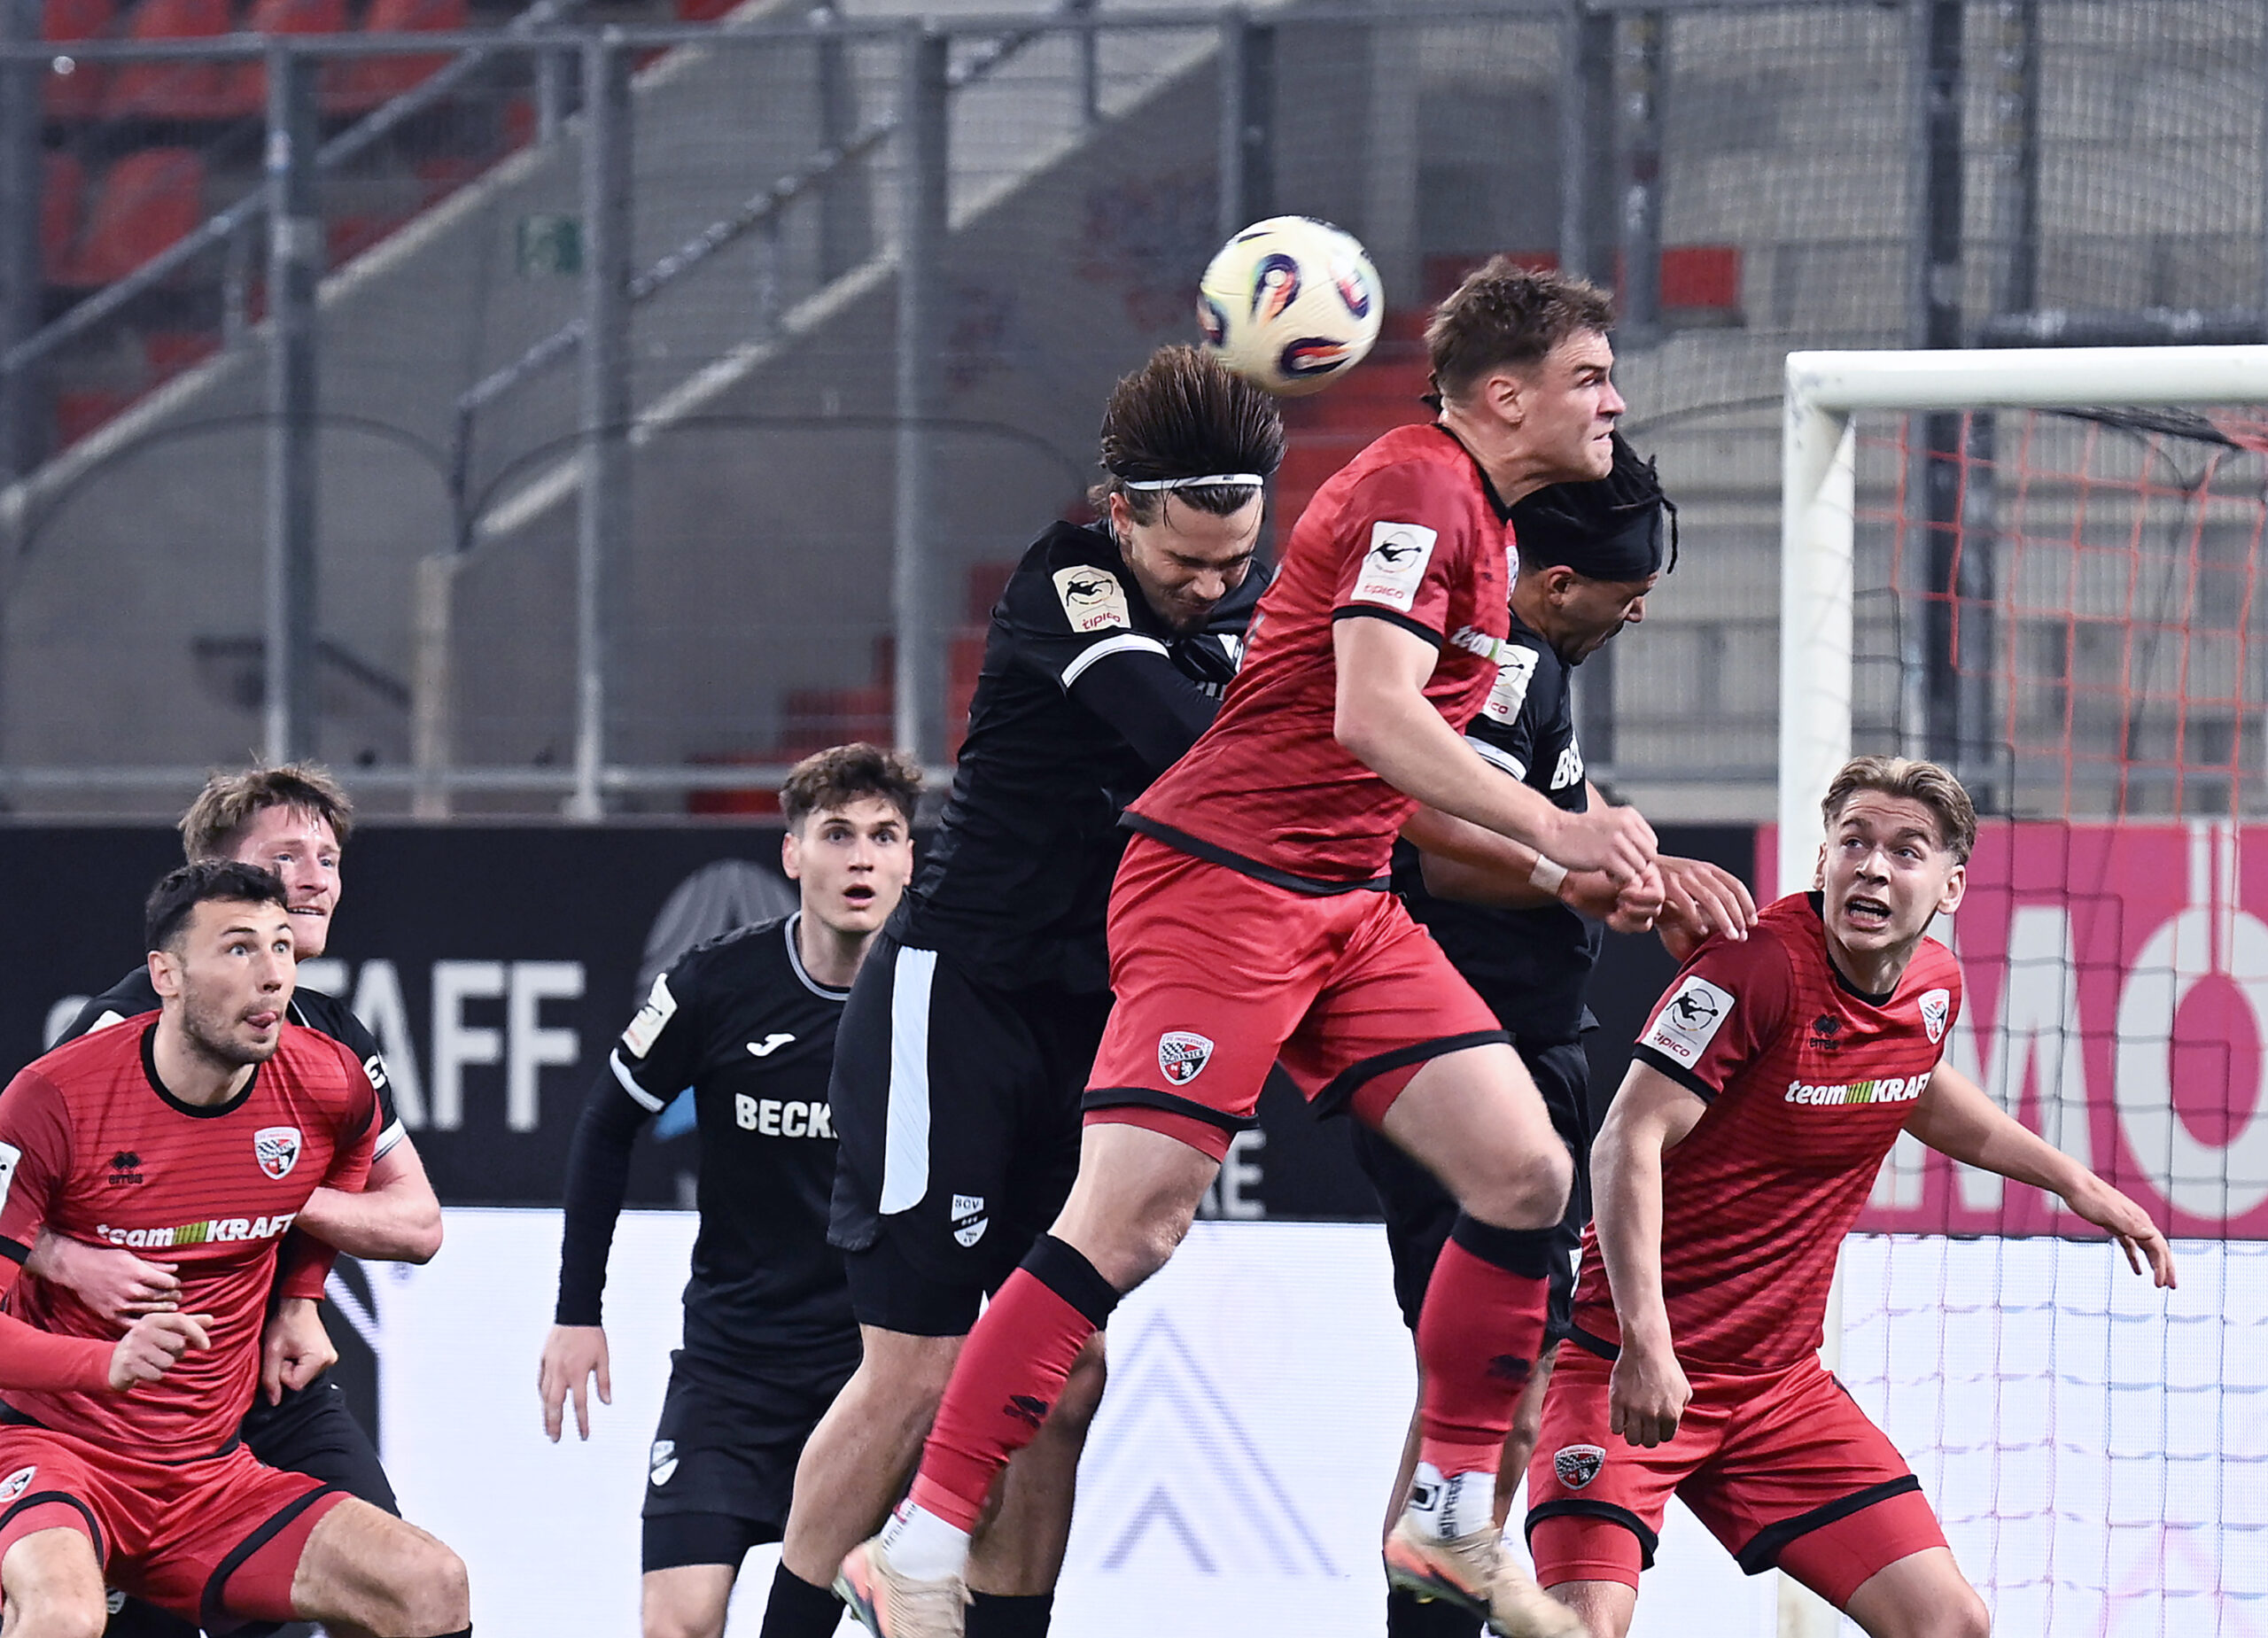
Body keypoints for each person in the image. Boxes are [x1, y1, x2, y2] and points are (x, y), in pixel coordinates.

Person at [842, 260, 1658, 1638]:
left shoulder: (1477, 518)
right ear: (1506, 396)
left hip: (1344, 898)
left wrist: (1553, 862)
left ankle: (1449, 1514)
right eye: (1590, 377)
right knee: (1131, 1225)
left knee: (1524, 1172)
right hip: (1221, 887)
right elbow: (1373, 718)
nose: (1613, 401)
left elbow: (1385, 766)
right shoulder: (1418, 487)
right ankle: (915, 1548)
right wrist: (1554, 826)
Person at [775, 344, 1285, 1638]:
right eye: (1187, 563)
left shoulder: (1249, 597)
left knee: (1066, 1374)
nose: (1215, 585)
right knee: (915, 1375)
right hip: (958, 1002)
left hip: (1092, 1016)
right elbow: (1180, 739)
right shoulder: (1065, 580)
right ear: (1123, 514)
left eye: (1236, 563)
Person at [1523, 755, 2177, 1638]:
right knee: (1578, 1631)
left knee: (1949, 1623)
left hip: (1777, 1392)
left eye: (1905, 851)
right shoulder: (1753, 969)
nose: (1871, 866)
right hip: (1624, 1366)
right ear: (1823, 860)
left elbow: (1915, 1084)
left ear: (1950, 886)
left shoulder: (1935, 987)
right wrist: (1646, 1343)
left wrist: (2078, 1183)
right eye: (1854, 842)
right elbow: (1624, 1141)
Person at [1353, 432, 1759, 1638]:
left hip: (1513, 1041)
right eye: (1628, 596)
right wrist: (1576, 876)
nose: (1638, 616)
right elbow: (1440, 844)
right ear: (1562, 581)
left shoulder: (1531, 655)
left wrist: (1637, 866)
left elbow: (1545, 809)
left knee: (1494, 1388)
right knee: (1491, 1389)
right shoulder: (1502, 661)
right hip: (1461, 1051)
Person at [0, 860, 472, 1638]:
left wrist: (302, 1295)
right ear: (166, 975)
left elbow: (350, 1155)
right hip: (53, 1453)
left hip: (209, 1477)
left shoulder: (326, 1080)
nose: (273, 975)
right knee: (63, 1614)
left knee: (431, 1584)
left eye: (282, 946)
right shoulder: (55, 1098)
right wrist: (105, 1363)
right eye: (239, 948)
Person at [536, 744, 920, 1638]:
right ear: (792, 853)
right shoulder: (716, 983)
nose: (860, 859)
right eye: (836, 834)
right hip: (731, 1373)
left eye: (883, 835)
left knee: (897, 1620)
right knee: (676, 1621)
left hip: (873, 1378)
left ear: (910, 858)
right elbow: (605, 1125)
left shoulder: (944, 998)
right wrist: (576, 1311)